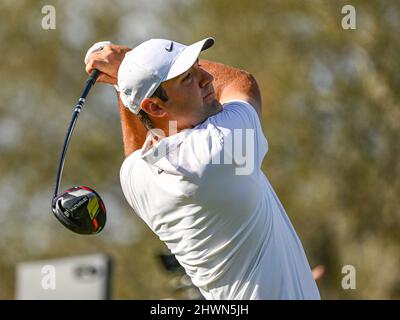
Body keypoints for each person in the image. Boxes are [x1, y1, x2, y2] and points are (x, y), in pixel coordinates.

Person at [85, 37, 321, 300]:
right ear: (154, 105)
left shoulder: (133, 176)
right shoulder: (220, 147)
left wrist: (126, 79)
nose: (207, 78)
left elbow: (137, 148)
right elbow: (242, 83)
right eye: (188, 77)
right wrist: (128, 60)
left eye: (198, 66)